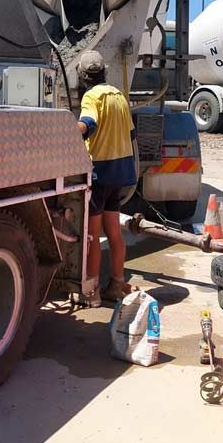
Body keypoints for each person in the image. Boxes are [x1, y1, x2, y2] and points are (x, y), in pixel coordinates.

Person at [76, 50, 136, 306]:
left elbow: (88, 124)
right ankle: (116, 283)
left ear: (81, 76)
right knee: (114, 232)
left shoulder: (92, 96)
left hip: (99, 174)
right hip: (121, 173)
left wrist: (65, 132)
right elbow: (131, 133)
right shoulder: (118, 95)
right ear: (104, 72)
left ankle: (92, 292)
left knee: (92, 236)